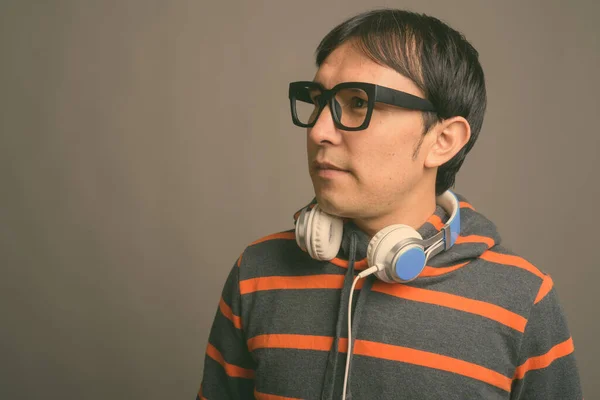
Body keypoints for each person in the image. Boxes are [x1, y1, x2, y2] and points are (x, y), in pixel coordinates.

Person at [197, 9, 583, 400]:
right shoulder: (257, 271)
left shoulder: (522, 299)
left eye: (359, 103)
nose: (318, 131)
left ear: (443, 140)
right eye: (318, 101)